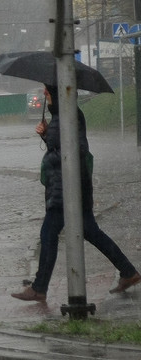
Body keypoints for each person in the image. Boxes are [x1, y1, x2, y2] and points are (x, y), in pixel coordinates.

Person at [11, 86, 141, 303]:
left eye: (48, 91)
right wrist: (46, 135)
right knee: (91, 232)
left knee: (48, 235)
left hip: (67, 191)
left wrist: (52, 146)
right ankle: (128, 272)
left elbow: (74, 151)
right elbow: (61, 148)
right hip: (69, 189)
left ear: (58, 93)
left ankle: (39, 288)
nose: (45, 95)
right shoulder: (61, 116)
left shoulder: (70, 116)